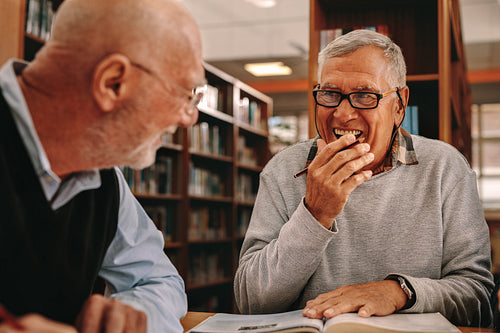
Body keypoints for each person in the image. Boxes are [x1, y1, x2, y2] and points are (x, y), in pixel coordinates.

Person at [234, 29, 494, 327]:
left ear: (399, 105)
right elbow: (251, 302)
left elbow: (479, 300)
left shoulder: (446, 168)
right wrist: (315, 214)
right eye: (330, 94)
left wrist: (400, 292)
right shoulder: (282, 170)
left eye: (364, 96)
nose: (343, 114)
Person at [0, 0, 206, 332]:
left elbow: (160, 279)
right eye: (185, 94)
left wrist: (130, 311)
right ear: (113, 82)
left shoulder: (102, 179)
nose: (189, 117)